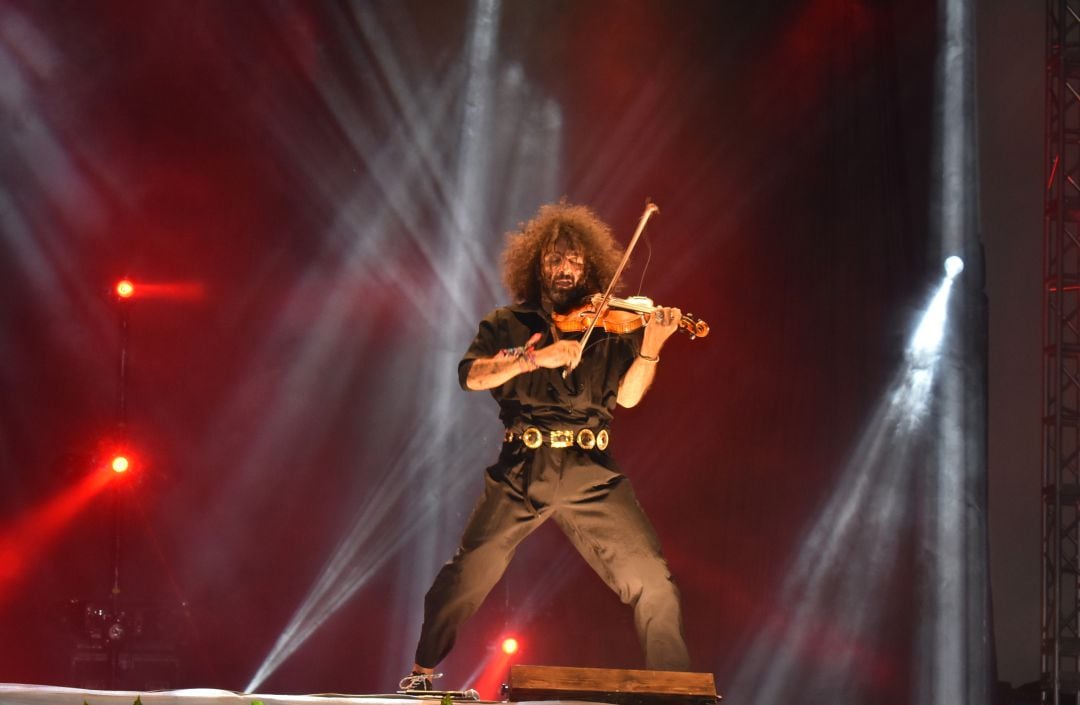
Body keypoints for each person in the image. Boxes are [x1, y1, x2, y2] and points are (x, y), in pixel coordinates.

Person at [400, 201, 690, 693]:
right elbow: (471, 375)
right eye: (555, 259)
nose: (564, 269)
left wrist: (651, 348)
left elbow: (629, 396)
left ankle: (675, 688)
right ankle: (423, 675)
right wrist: (535, 357)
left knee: (652, 578)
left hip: (591, 468)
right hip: (524, 467)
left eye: (574, 261)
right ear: (537, 263)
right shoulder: (508, 323)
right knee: (470, 570)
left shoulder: (608, 325)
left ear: (590, 266)